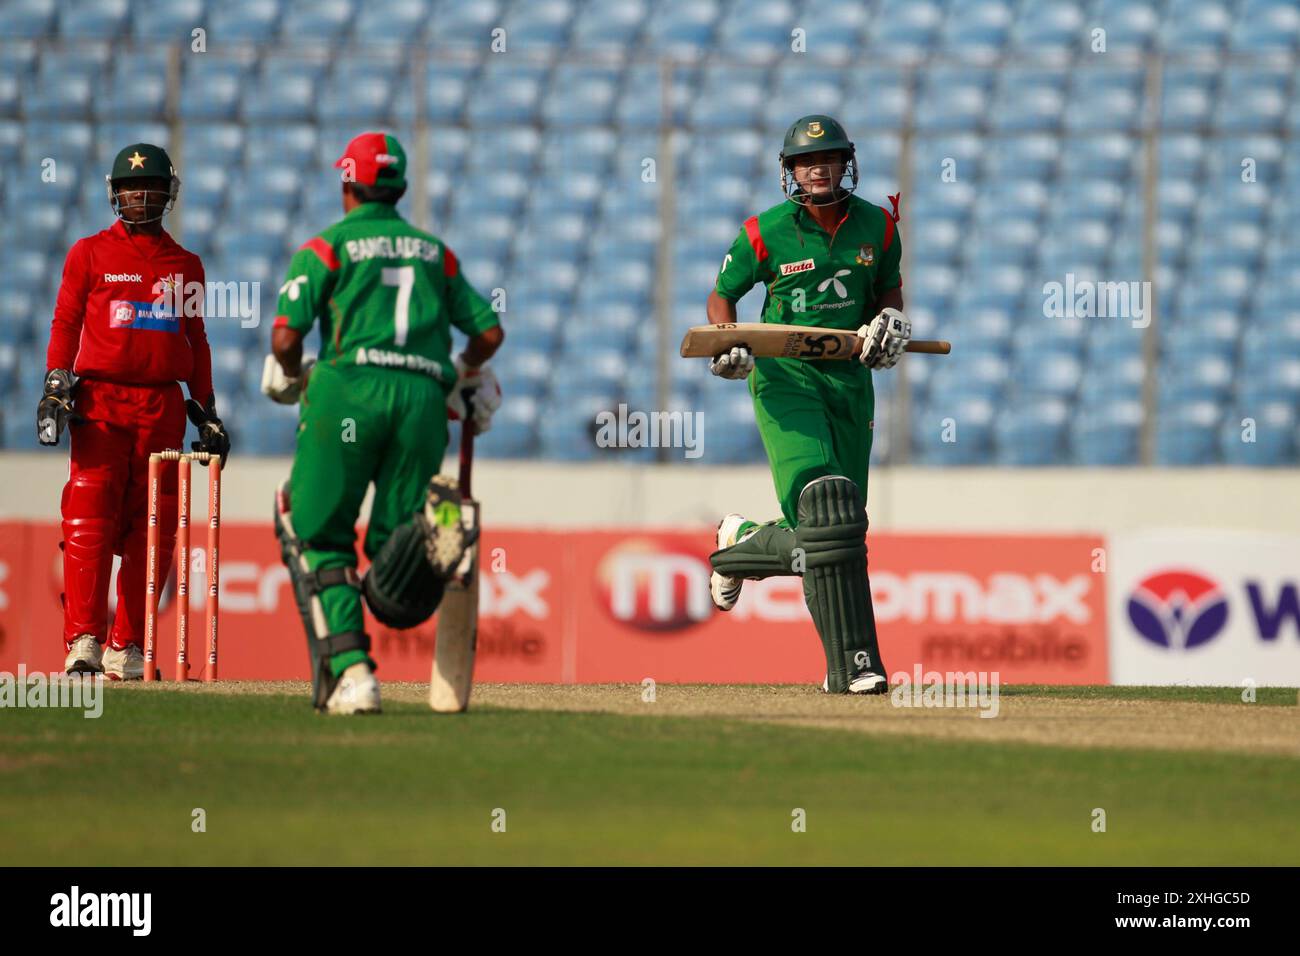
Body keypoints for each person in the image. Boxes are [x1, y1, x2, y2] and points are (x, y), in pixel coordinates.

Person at [262, 131, 504, 715]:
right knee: (397, 546)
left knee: (314, 529)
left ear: (347, 183)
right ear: (399, 187)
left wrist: (295, 375)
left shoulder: (327, 248)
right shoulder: (434, 252)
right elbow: (489, 332)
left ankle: (353, 675)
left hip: (347, 393)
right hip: (422, 403)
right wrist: (458, 374)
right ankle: (430, 541)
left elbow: (286, 336)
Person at [704, 115, 911, 694]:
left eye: (827, 158)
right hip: (785, 374)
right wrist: (729, 345)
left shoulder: (879, 225)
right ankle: (853, 667)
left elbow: (887, 292)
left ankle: (742, 542)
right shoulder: (764, 231)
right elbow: (722, 297)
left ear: (848, 163)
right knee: (825, 512)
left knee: (842, 525)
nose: (816, 169)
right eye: (803, 162)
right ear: (789, 171)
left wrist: (890, 322)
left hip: (849, 378)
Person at [43, 142, 229, 681]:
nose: (139, 196)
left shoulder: (186, 265)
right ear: (114, 194)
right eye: (128, 188)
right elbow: (65, 321)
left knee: (155, 527)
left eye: (148, 188)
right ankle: (83, 642)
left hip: (163, 405)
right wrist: (57, 380)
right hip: (100, 401)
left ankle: (129, 646)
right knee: (88, 521)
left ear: (168, 195)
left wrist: (207, 409)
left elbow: (197, 338)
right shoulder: (89, 253)